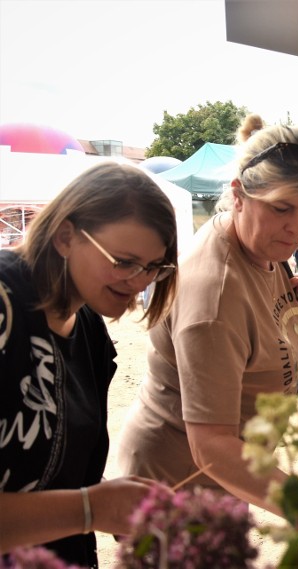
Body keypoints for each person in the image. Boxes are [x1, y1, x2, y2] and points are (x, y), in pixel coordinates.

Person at [116, 114, 298, 514]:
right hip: (176, 489)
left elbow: (253, 325)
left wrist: (289, 307)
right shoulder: (213, 297)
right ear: (239, 195)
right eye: (281, 208)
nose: (295, 229)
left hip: (227, 479)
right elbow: (213, 448)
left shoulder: (261, 248)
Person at [0, 162, 179, 567]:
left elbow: (42, 470)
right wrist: (90, 508)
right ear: (66, 235)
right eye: (124, 261)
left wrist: (109, 501)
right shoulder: (5, 305)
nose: (138, 282)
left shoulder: (87, 326)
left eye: (153, 267)